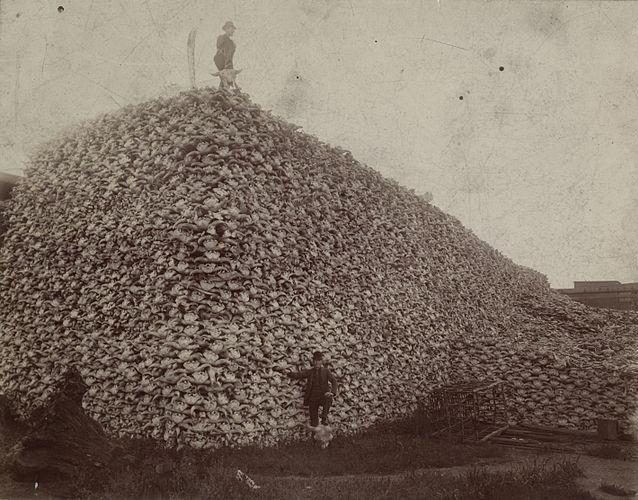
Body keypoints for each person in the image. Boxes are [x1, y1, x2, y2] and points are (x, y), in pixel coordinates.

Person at [288, 351, 338, 428]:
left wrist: (332, 392)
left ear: (321, 361)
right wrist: (288, 373)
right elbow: (299, 375)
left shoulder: (326, 371)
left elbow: (334, 381)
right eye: (314, 361)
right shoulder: (310, 372)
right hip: (312, 398)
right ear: (313, 361)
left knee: (329, 398)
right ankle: (315, 438)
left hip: (322, 396)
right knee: (314, 423)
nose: (316, 363)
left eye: (318, 361)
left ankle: (324, 418)